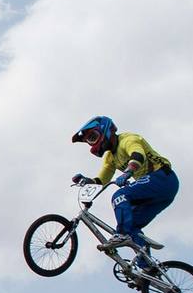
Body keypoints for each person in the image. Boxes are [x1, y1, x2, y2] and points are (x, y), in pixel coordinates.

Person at [70, 116, 177, 270]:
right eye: (89, 141)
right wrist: (87, 181)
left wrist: (128, 171)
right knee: (132, 224)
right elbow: (102, 180)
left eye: (93, 137)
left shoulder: (128, 139)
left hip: (163, 178)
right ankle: (148, 269)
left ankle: (122, 234)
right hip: (158, 193)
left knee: (119, 197)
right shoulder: (109, 157)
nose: (92, 143)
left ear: (105, 131)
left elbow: (137, 155)